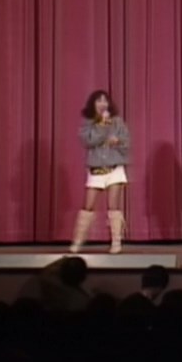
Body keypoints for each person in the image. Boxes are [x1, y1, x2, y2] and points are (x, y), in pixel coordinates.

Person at [70, 90, 131, 254]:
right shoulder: (88, 123)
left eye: (105, 101)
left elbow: (126, 143)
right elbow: (89, 141)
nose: (103, 104)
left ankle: (116, 242)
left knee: (113, 205)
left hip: (115, 168)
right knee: (88, 206)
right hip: (96, 169)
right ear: (93, 104)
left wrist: (118, 141)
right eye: (99, 101)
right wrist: (102, 126)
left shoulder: (117, 121)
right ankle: (78, 241)